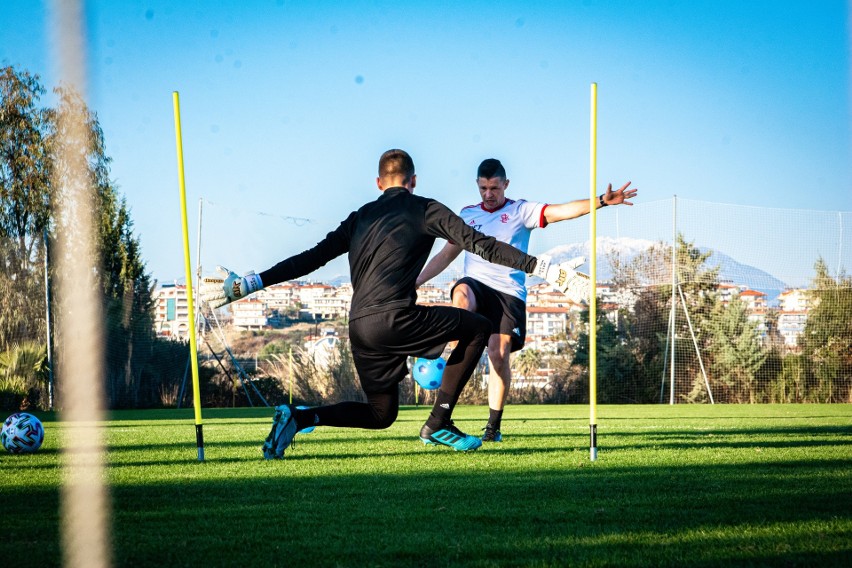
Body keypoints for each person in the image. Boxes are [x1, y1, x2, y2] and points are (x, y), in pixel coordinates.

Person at [201, 149, 586, 459]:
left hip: (360, 328)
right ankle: (439, 422)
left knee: (380, 414)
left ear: (378, 183)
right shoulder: (426, 209)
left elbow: (311, 258)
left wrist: (253, 282)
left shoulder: (360, 217)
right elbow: (481, 244)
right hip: (398, 319)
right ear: (413, 182)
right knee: (480, 328)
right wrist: (543, 268)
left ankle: (300, 419)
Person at [416, 158, 637, 442]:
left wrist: (601, 202)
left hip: (508, 294)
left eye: (494, 187)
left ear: (505, 185)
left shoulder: (521, 211)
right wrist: (415, 283)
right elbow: (445, 256)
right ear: (477, 186)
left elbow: (562, 211)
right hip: (475, 285)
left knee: (498, 354)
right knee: (461, 297)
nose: (488, 194)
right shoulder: (467, 214)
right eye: (483, 188)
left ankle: (493, 427)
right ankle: (440, 350)